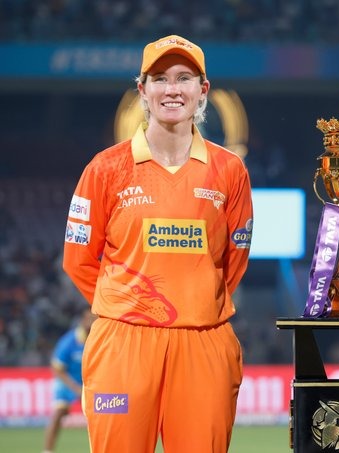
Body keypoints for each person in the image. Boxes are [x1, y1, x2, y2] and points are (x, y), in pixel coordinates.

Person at [62, 35, 254, 452]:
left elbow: (234, 260)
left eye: (184, 78)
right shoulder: (105, 168)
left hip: (204, 342)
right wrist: (130, 309)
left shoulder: (230, 170)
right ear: (142, 90)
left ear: (203, 90)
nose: (172, 89)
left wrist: (193, 304)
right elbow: (78, 259)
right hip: (122, 345)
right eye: (160, 78)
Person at [42, 308, 97, 453]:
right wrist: (75, 388)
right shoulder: (69, 341)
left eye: (95, 318)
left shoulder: (99, 338)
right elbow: (57, 369)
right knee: (58, 413)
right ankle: (47, 451)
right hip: (68, 382)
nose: (92, 321)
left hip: (90, 383)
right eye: (90, 318)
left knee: (106, 413)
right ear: (83, 320)